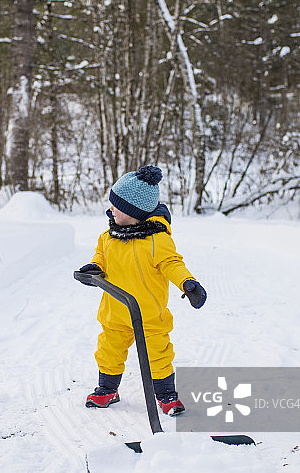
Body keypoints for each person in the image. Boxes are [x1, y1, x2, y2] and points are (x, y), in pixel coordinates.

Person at [78, 165, 207, 416]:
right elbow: (101, 257)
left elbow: (172, 264)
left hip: (148, 315)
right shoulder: (108, 236)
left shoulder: (157, 240)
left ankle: (166, 395)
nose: (111, 209)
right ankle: (107, 389)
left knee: (157, 355)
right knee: (108, 352)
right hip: (115, 312)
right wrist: (94, 268)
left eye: (116, 206)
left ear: (132, 211)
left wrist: (187, 284)